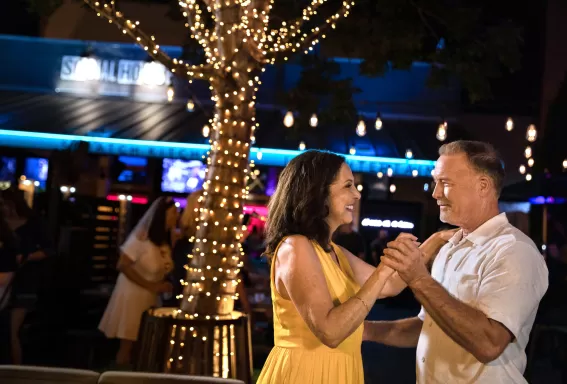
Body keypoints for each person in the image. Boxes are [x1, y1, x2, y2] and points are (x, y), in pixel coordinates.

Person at [257, 150, 451, 384]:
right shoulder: (295, 246)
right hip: (306, 373)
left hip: (341, 370)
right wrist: (382, 269)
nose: (357, 194)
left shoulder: (334, 251)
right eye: (348, 186)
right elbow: (330, 332)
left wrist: (436, 241)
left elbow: (391, 284)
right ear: (318, 193)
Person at [366, 141, 549, 383]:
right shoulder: (450, 246)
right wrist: (366, 330)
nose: (435, 193)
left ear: (483, 186)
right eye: (436, 182)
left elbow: (489, 344)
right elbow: (431, 326)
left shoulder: (514, 251)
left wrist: (418, 278)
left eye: (446, 183)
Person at [99, 197, 177, 367]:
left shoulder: (164, 243)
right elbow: (123, 265)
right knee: (128, 343)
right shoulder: (140, 240)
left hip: (150, 297)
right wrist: (151, 285)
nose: (176, 217)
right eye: (172, 214)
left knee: (142, 344)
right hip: (133, 296)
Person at [1, 188, 54, 365]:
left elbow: (48, 250)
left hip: (25, 281)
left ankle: (16, 370)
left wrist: (27, 257)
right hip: (4, 280)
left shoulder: (34, 223)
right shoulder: (2, 223)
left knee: (11, 330)